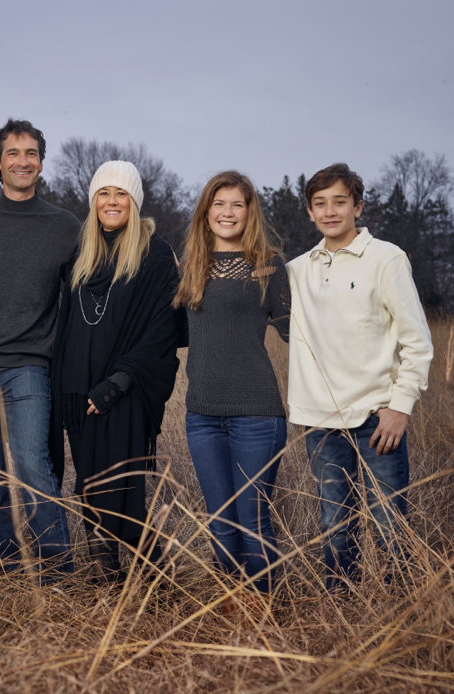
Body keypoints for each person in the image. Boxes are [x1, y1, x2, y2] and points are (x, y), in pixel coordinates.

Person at [287, 163, 433, 591]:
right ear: (310, 213)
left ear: (358, 206)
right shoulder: (298, 270)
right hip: (321, 420)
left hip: (377, 417)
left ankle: (399, 610)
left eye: (339, 202)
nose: (330, 211)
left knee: (390, 524)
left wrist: (399, 406)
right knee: (335, 524)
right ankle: (341, 609)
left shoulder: (386, 258)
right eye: (320, 204)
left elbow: (417, 341)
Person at [0, 119, 80, 577]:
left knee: (33, 469)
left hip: (29, 366)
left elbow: (96, 278)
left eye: (31, 154)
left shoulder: (64, 226)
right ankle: (7, 571)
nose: (22, 161)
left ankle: (57, 572)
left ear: (41, 163)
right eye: (12, 153)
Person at [50, 161, 181, 582]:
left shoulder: (154, 254)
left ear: (134, 201)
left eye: (121, 194)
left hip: (125, 390)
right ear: (93, 201)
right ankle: (105, 575)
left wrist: (119, 382)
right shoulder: (79, 252)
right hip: (77, 391)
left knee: (122, 488)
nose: (111, 201)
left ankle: (154, 577)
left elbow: (162, 330)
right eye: (103, 194)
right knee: (89, 485)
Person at [173, 171, 290, 600]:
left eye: (236, 204)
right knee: (220, 522)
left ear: (249, 211)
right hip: (202, 414)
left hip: (256, 413)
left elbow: (301, 332)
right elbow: (168, 333)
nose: (227, 212)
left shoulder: (269, 265)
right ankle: (233, 610)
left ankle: (262, 611)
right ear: (206, 212)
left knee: (253, 520)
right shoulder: (190, 268)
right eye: (218, 204)